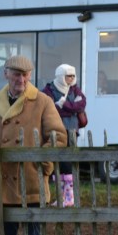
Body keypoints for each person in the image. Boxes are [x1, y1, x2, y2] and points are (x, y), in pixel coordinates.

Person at [0, 55, 67, 235]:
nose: (21, 79)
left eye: (25, 75)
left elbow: (58, 136)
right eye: (16, 74)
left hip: (31, 180)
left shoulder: (43, 102)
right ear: (6, 74)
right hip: (2, 182)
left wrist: (43, 164)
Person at [41, 64, 87, 207]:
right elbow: (50, 109)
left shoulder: (75, 89)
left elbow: (81, 105)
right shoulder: (49, 89)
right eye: (68, 76)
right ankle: (61, 197)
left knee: (68, 160)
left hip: (72, 130)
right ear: (61, 75)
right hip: (56, 129)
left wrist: (64, 105)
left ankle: (70, 196)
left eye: (73, 76)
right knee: (58, 161)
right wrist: (70, 107)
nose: (71, 79)